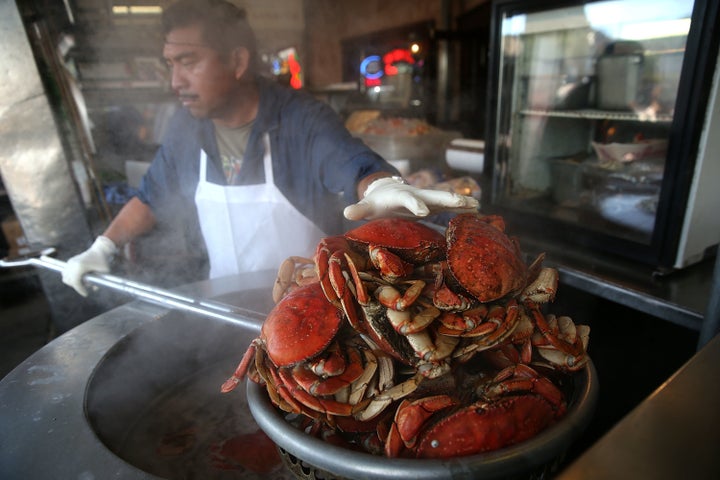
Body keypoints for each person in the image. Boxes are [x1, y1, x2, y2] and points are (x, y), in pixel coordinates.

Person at [62, 0, 478, 296]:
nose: (175, 82)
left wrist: (381, 186)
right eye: (171, 64)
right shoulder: (188, 127)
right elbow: (153, 196)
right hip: (224, 304)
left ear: (238, 61)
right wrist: (104, 246)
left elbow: (353, 163)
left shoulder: (300, 119)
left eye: (188, 62)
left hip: (315, 311)